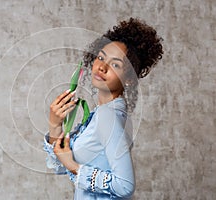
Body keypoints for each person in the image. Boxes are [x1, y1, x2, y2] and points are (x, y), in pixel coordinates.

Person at [43, 18, 163, 199]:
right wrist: (55, 125)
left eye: (115, 64)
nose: (102, 67)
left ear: (129, 78)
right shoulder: (101, 113)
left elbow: (125, 185)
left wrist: (73, 166)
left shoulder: (109, 115)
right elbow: (61, 163)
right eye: (100, 57)